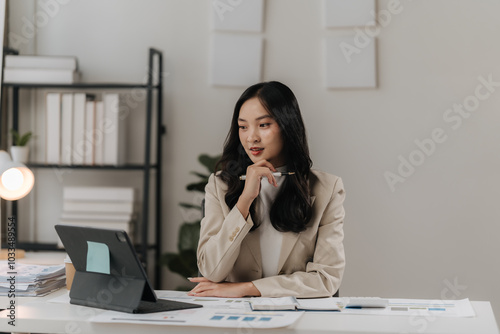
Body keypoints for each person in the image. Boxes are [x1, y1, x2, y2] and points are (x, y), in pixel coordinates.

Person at [188, 81, 345, 298]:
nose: (251, 137)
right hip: (235, 321)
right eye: (243, 126)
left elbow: (327, 279)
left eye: (263, 125)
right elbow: (212, 271)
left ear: (287, 126)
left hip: (297, 318)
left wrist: (245, 288)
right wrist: (244, 201)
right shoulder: (220, 185)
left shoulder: (327, 189)